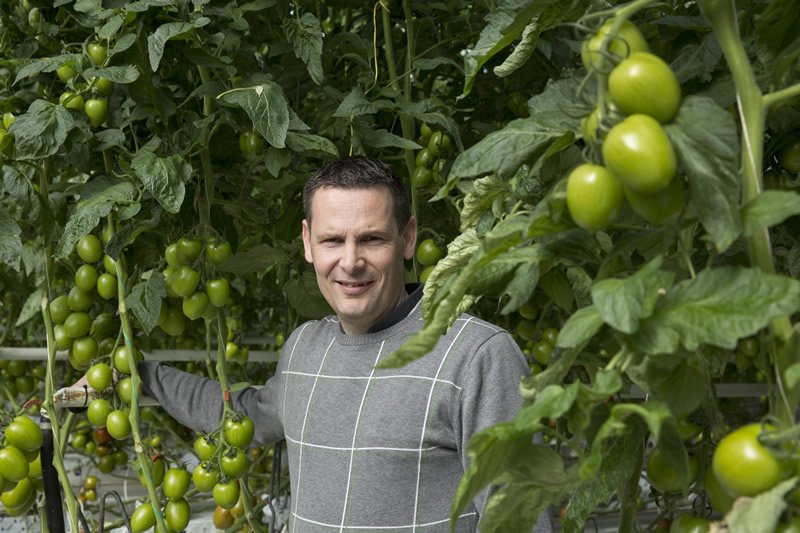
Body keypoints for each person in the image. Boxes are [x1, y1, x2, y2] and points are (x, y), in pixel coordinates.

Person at [138, 156, 554, 532]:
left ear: (408, 239)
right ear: (307, 243)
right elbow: (245, 415)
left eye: (372, 239)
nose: (351, 261)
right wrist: (140, 376)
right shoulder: (305, 348)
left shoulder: (476, 356)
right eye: (332, 240)